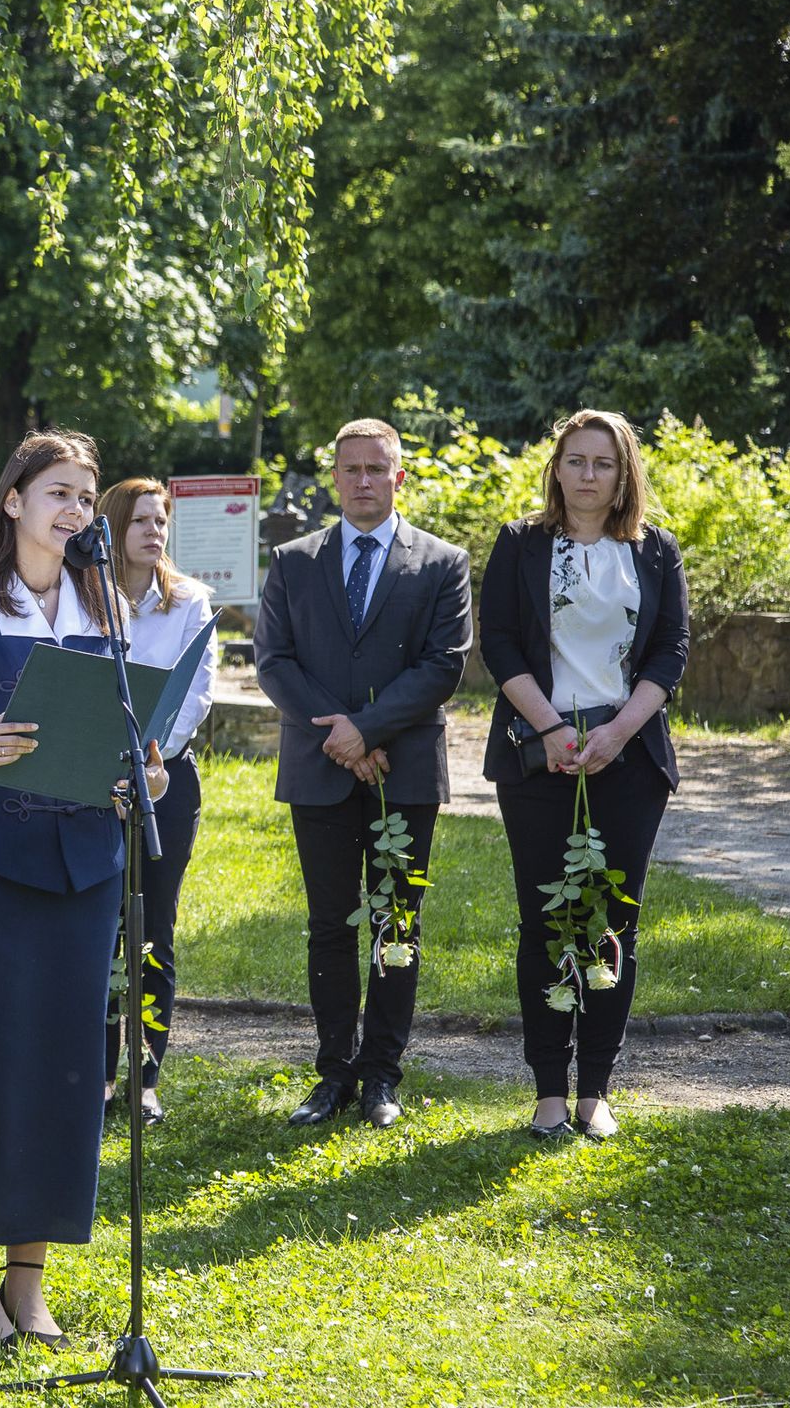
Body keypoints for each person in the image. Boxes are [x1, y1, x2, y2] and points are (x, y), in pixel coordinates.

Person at [0, 430, 166, 1350]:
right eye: (59, 492)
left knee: (64, 1075)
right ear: (12, 501)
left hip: (87, 873)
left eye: (87, 498)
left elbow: (135, 743)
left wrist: (147, 776)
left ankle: (31, 1276)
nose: (76, 512)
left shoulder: (107, 613)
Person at [254, 417, 471, 1129]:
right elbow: (274, 662)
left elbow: (443, 664)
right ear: (335, 477)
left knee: (395, 922)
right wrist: (344, 738)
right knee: (327, 927)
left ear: (398, 475)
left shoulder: (441, 562)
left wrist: (369, 731)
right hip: (320, 771)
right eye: (352, 470)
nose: (365, 481)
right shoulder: (292, 562)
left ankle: (381, 1075)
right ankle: (333, 1073)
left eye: (378, 469)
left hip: (403, 770)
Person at [478, 410, 688, 1141]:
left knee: (612, 923)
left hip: (629, 760)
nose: (588, 475)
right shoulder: (519, 544)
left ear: (624, 472)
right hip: (541, 755)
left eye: (603, 463)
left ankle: (596, 1089)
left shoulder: (655, 552)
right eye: (576, 461)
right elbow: (498, 641)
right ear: (556, 468)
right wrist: (553, 727)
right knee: (544, 923)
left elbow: (671, 650)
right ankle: (546, 1090)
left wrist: (618, 730)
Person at [98, 477, 216, 1126]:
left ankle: (144, 1076)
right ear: (115, 527)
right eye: (141, 520)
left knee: (150, 929)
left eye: (162, 520)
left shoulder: (191, 601)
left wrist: (147, 756)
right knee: (100, 927)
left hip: (166, 778)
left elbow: (195, 694)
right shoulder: (88, 596)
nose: (154, 531)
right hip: (97, 782)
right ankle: (96, 1078)